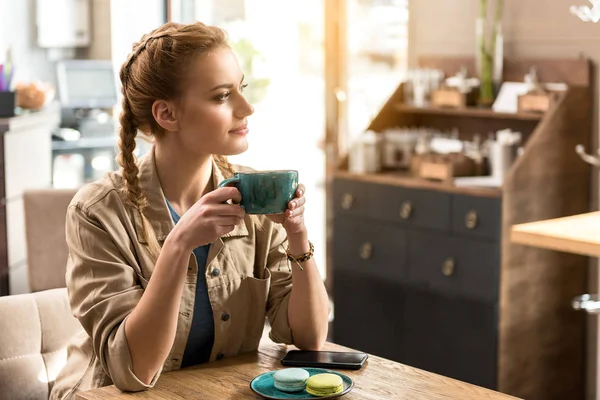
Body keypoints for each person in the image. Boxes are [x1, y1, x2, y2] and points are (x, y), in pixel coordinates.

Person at [50, 21, 330, 400]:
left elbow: (307, 338)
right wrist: (179, 245)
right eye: (221, 96)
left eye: (241, 89)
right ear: (167, 115)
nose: (246, 107)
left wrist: (298, 235)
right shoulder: (97, 213)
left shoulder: (258, 197)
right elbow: (133, 372)